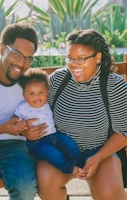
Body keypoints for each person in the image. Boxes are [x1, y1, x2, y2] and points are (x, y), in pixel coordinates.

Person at [35, 29, 127, 200]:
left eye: (81, 59)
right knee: (44, 181)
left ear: (97, 58)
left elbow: (124, 132)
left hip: (101, 151)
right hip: (62, 152)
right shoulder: (58, 80)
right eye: (70, 58)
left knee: (109, 194)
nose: (73, 64)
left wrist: (98, 157)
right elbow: (40, 112)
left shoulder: (114, 86)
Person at [0, 22, 47, 200]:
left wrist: (29, 132)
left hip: (15, 148)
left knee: (25, 189)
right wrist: (2, 128)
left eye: (28, 58)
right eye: (16, 54)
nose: (22, 64)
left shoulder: (30, 83)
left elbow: (43, 117)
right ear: (2, 49)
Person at [14, 68, 82, 176]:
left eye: (41, 92)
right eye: (31, 93)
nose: (37, 97)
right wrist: (21, 125)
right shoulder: (23, 108)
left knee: (71, 144)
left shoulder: (47, 103)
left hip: (54, 135)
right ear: (24, 95)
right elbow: (14, 119)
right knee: (53, 154)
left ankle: (80, 163)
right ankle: (69, 168)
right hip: (37, 142)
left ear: (47, 93)